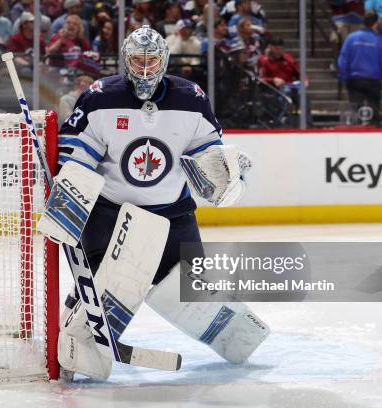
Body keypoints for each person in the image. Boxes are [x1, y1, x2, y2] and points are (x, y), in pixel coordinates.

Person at [49, 25, 267, 380]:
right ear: (125, 60)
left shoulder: (191, 98)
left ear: (165, 61)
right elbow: (76, 157)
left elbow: (205, 154)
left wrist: (224, 169)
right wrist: (69, 190)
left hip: (172, 213)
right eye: (138, 60)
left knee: (192, 287)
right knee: (108, 285)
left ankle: (232, 334)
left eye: (152, 60)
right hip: (111, 213)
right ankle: (78, 339)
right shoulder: (99, 96)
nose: (145, 69)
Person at [338, 10, 382, 124]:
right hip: (373, 81)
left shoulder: (351, 38)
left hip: (354, 80)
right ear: (376, 23)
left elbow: (343, 59)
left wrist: (343, 76)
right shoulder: (380, 41)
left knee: (355, 112)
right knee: (374, 114)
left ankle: (355, 134)